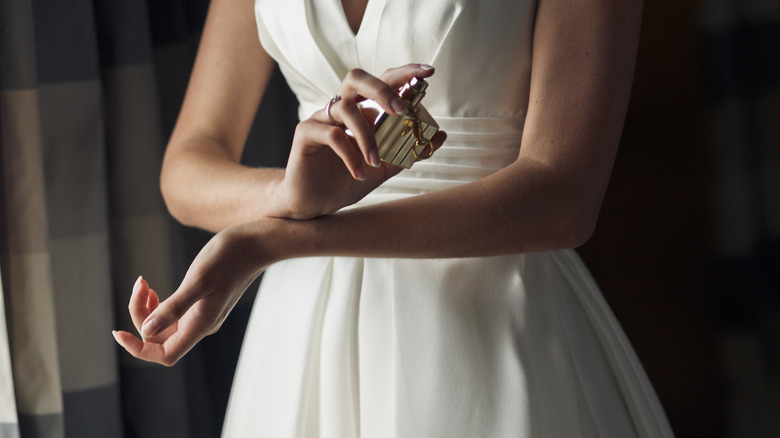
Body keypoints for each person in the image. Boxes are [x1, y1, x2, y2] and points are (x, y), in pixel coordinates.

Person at [113, 0, 675, 436]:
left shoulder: (275, 245)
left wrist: (278, 241)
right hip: (297, 340)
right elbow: (187, 165)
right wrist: (286, 197)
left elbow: (564, 199)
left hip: (490, 320)